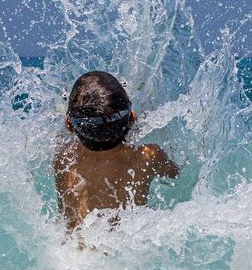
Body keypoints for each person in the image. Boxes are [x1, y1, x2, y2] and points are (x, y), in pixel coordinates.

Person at [53, 71, 179, 230]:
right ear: (133, 116)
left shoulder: (63, 157)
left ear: (69, 124)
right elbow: (174, 173)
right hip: (124, 247)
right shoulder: (148, 156)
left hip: (70, 252)